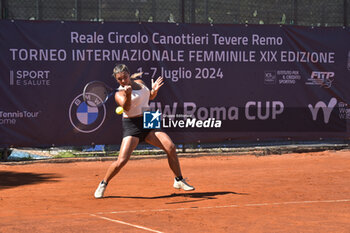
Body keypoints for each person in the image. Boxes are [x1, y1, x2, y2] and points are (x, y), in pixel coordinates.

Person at [94, 64, 195, 198]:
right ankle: (103, 183)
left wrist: (154, 91)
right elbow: (128, 108)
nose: (123, 81)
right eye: (119, 79)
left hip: (149, 118)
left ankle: (179, 180)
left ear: (129, 74)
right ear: (117, 80)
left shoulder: (140, 83)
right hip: (132, 124)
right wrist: (128, 94)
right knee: (121, 161)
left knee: (171, 147)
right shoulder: (119, 94)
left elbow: (149, 98)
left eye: (124, 77)